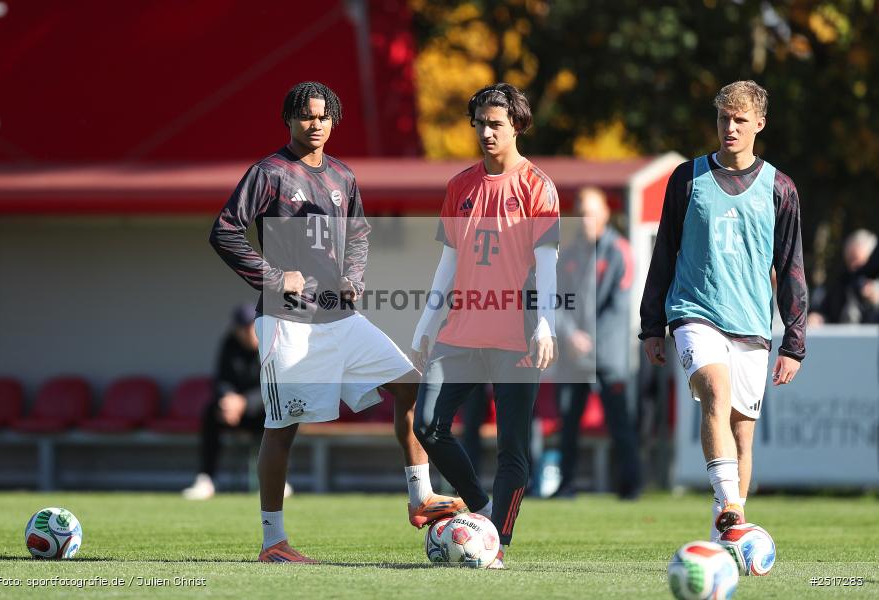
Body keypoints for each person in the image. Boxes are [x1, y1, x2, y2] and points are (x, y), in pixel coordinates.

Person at [209, 81, 464, 564]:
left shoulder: (343, 177)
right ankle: (273, 543)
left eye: (324, 116)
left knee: (411, 385)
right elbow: (223, 231)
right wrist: (270, 276)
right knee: (282, 427)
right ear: (289, 118)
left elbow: (360, 234)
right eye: (307, 116)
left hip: (341, 317)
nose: (316, 124)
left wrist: (353, 276)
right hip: (288, 321)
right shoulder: (268, 173)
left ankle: (420, 496)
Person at [639, 80, 807, 542]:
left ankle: (728, 533)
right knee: (715, 389)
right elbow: (664, 254)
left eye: (739, 119)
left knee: (742, 433)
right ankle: (731, 503)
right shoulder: (687, 178)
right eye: (722, 118)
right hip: (694, 311)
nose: (729, 127)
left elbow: (791, 268)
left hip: (752, 322)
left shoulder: (781, 188)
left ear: (759, 123)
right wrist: (652, 324)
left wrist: (794, 342)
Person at [411, 83, 560, 569]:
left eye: (496, 123)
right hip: (460, 331)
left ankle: (497, 541)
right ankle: (481, 509)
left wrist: (545, 326)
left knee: (512, 446)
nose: (486, 132)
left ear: (517, 125)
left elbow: (548, 264)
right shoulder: (460, 186)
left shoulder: (538, 186)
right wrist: (424, 326)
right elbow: (447, 265)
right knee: (428, 424)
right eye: (479, 123)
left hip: (516, 333)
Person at [554, 187, 641, 499]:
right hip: (572, 356)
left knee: (620, 423)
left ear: (605, 213)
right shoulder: (568, 254)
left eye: (591, 212)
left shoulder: (619, 250)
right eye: (581, 212)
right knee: (568, 425)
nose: (586, 219)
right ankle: (566, 486)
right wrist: (570, 336)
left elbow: (619, 304)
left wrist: (591, 341)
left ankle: (630, 486)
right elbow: (555, 301)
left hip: (608, 356)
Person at [182, 303, 291, 500]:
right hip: (233, 414)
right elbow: (221, 380)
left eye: (252, 326)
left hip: (263, 411)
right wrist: (227, 401)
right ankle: (206, 479)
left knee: (276, 413)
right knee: (210, 412)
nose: (248, 332)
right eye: (243, 327)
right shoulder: (229, 344)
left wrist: (244, 402)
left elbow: (277, 386)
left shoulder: (275, 344)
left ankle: (276, 480)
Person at [808, 229, 879, 325]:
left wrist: (875, 301)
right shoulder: (841, 283)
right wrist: (817, 317)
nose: (853, 267)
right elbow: (823, 310)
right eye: (849, 260)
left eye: (857, 260)